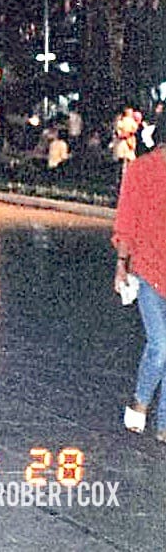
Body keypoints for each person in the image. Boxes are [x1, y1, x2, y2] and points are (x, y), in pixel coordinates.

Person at [114, 142, 166, 437]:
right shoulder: (142, 169)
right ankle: (140, 400)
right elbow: (126, 221)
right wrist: (121, 263)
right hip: (148, 270)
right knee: (161, 346)